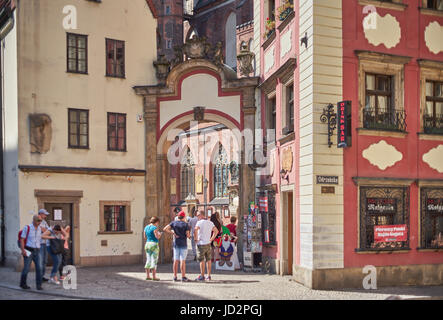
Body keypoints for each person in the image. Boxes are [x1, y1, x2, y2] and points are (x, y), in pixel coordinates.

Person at [19, 214, 51, 290]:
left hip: (38, 250)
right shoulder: (27, 228)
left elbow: (48, 232)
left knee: (39, 268)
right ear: (34, 220)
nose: (39, 222)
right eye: (38, 221)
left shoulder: (40, 228)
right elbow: (22, 239)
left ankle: (39, 285)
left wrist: (49, 231)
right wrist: (23, 250)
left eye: (40, 221)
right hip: (29, 250)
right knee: (26, 268)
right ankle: (23, 284)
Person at [164, 211, 191, 282]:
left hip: (176, 243)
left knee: (175, 260)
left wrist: (172, 233)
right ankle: (183, 276)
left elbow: (165, 229)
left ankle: (175, 276)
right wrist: (189, 236)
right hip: (183, 243)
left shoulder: (173, 223)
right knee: (183, 261)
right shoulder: (186, 224)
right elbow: (188, 235)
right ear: (184, 217)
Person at [194, 210, 219, 282]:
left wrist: (196, 239)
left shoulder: (199, 222)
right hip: (208, 243)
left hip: (201, 243)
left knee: (202, 260)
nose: (197, 216)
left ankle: (202, 275)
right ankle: (208, 275)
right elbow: (216, 231)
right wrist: (211, 239)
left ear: (202, 215)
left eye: (198, 215)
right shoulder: (210, 223)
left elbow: (195, 230)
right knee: (208, 260)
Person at [143, 217, 162, 281]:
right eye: (158, 223)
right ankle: (154, 276)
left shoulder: (146, 227)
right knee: (154, 260)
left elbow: (144, 236)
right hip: (154, 244)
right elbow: (157, 237)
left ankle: (148, 276)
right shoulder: (154, 228)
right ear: (156, 222)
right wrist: (159, 234)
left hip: (147, 244)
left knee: (148, 259)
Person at [38, 209, 50, 282]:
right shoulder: (37, 221)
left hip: (45, 243)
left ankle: (42, 276)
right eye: (45, 214)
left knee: (45, 261)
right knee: (41, 261)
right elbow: (44, 230)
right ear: (41, 214)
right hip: (40, 244)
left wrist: (47, 230)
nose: (45, 216)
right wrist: (47, 230)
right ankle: (39, 277)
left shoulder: (44, 221)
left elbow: (48, 230)